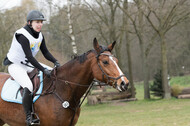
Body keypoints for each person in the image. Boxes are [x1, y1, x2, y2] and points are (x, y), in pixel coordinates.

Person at [3, 10, 60, 125]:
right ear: (29, 23)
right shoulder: (22, 35)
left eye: (41, 22)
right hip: (16, 65)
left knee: (53, 73)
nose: (40, 25)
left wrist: (56, 62)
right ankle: (29, 117)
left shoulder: (40, 35)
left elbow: (45, 52)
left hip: (28, 64)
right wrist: (43, 69)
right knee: (28, 86)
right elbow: (29, 56)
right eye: (37, 22)